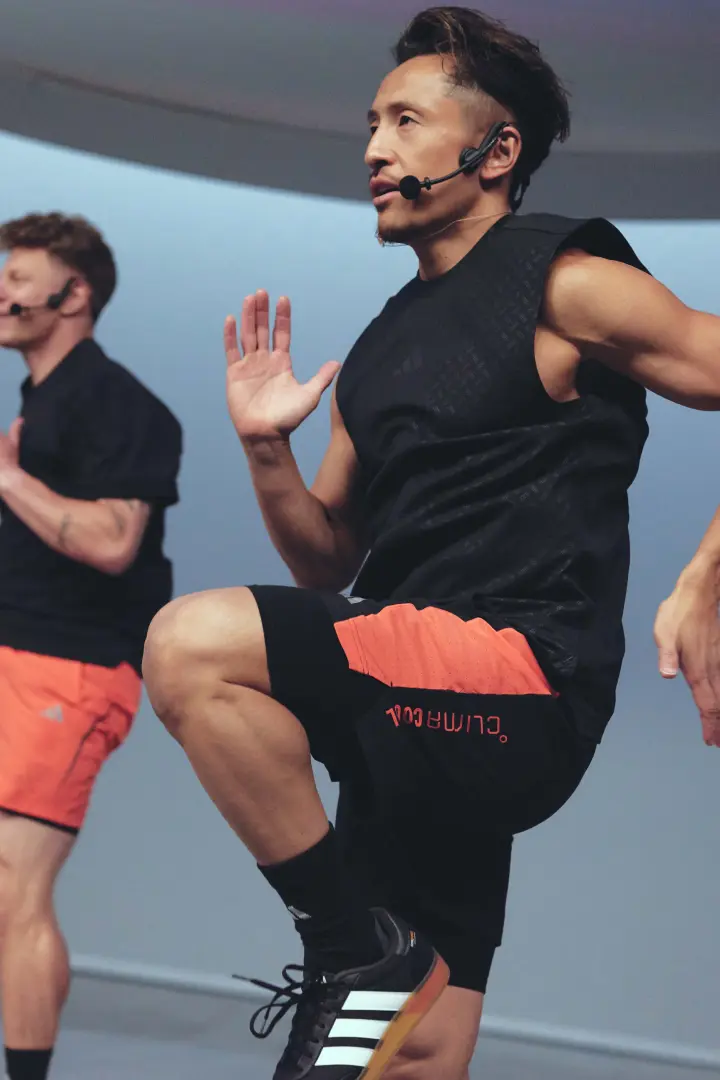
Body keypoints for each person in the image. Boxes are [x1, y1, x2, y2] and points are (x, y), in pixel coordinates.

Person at [142, 7, 720, 1080]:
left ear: (496, 151)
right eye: (372, 123)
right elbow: (328, 561)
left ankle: (349, 946)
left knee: (188, 645)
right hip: (410, 704)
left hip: (518, 679)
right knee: (399, 1053)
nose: (374, 147)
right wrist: (266, 449)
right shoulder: (379, 349)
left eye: (405, 121)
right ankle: (372, 963)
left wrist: (705, 575)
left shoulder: (566, 279)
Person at [0, 212, 182, 1080]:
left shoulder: (117, 402)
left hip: (69, 672)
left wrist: (5, 478)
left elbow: (112, 541)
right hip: (18, 655)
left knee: (13, 892)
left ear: (73, 295)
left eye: (16, 277)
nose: (0, 291)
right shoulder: (42, 401)